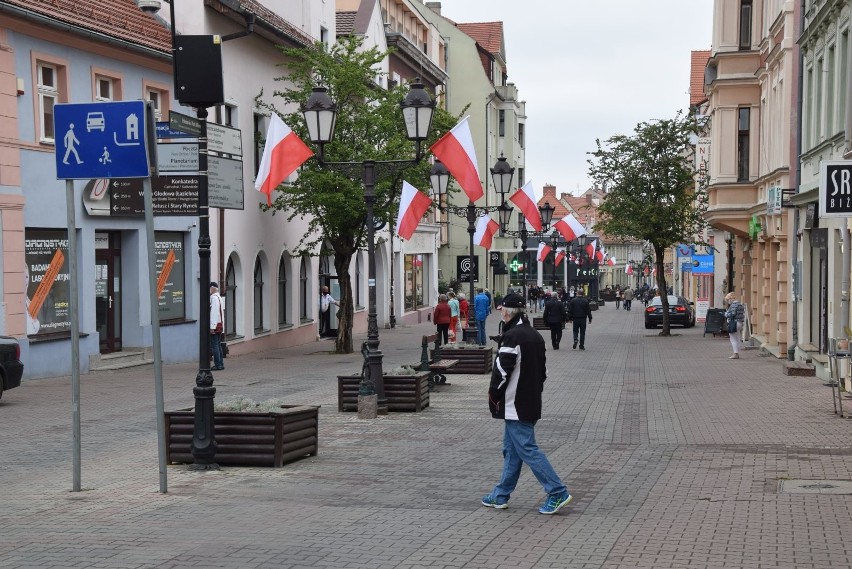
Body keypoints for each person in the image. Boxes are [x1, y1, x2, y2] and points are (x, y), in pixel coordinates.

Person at [481, 292, 572, 515]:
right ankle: (500, 494)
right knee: (511, 450)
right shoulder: (535, 336)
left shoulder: (512, 336)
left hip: (515, 404)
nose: (500, 312)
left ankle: (557, 491)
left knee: (528, 449)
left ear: (507, 312)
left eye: (502, 309)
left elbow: (501, 372)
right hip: (529, 401)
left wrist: (493, 397)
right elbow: (544, 372)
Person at [725, 292, 745, 359]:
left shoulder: (734, 305)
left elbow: (732, 314)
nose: (728, 302)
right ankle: (737, 352)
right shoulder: (740, 304)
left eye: (728, 300)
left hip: (734, 323)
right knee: (737, 338)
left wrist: (725, 314)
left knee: (733, 339)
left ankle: (735, 353)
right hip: (740, 322)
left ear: (731, 299)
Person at [209, 282, 225, 371]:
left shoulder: (214, 298)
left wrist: (212, 327)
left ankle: (218, 364)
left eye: (210, 288)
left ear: (212, 288)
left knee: (215, 345)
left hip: (215, 325)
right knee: (218, 345)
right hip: (220, 324)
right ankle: (221, 364)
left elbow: (214, 313)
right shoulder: (219, 297)